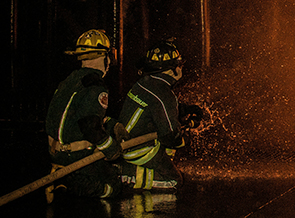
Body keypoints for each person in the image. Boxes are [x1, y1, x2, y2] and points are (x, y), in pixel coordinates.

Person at [45, 29, 127, 199]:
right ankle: (74, 187)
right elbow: (89, 125)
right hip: (75, 157)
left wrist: (113, 125)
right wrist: (112, 149)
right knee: (114, 183)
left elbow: (76, 115)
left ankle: (66, 182)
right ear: (105, 57)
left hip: (56, 152)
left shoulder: (70, 80)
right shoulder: (95, 86)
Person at [118, 39, 188, 191]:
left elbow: (155, 110)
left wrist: (184, 110)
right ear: (172, 69)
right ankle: (130, 176)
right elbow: (170, 135)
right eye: (180, 64)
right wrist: (183, 136)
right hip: (138, 148)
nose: (181, 68)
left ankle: (136, 168)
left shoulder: (146, 83)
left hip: (126, 142)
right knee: (175, 181)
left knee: (168, 152)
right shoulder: (164, 93)